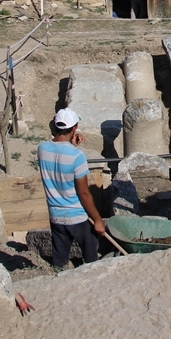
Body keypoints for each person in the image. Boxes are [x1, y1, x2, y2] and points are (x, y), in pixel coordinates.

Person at [37, 108, 106, 269]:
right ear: (74, 128)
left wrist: (71, 144)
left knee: (59, 263)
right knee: (91, 261)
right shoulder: (77, 157)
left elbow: (57, 151)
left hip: (56, 216)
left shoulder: (42, 149)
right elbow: (83, 193)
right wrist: (97, 219)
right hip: (77, 217)